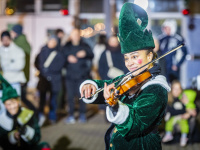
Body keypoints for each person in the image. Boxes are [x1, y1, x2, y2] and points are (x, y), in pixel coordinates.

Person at [80, 3, 171, 150]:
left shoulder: (156, 89)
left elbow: (137, 123)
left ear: (149, 56)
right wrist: (91, 86)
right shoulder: (128, 79)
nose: (130, 63)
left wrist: (115, 106)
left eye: (135, 57)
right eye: (127, 58)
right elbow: (107, 85)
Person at [0, 74, 50, 150]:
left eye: (14, 103)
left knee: (45, 147)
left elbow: (37, 138)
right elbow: (4, 145)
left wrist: (26, 132)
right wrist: (13, 137)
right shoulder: (2, 120)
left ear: (18, 102)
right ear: (4, 105)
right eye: (8, 104)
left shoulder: (28, 114)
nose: (12, 107)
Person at [62, 28, 94, 124]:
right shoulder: (66, 47)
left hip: (82, 76)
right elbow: (61, 57)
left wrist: (85, 53)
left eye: (77, 34)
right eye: (73, 34)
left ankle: (82, 115)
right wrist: (67, 58)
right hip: (70, 76)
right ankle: (71, 115)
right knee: (70, 97)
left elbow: (92, 54)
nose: (75, 36)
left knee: (82, 96)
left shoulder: (84, 46)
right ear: (71, 36)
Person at [36, 36, 65, 125]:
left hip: (54, 80)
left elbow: (59, 66)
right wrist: (43, 71)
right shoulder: (42, 51)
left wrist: (47, 71)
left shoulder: (60, 53)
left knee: (53, 101)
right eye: (50, 41)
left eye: (54, 41)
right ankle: (40, 116)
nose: (52, 43)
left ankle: (52, 117)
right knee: (42, 100)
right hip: (44, 79)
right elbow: (38, 63)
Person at [162, 80, 197, 147]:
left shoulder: (184, 97)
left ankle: (185, 137)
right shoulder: (168, 99)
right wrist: (185, 112)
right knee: (170, 122)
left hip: (184, 121)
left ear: (181, 90)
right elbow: (171, 111)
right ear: (171, 89)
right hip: (173, 123)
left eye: (179, 88)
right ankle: (170, 135)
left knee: (191, 120)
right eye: (175, 88)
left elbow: (194, 108)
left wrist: (187, 108)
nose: (177, 91)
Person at [10, 24, 33, 110]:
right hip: (23, 76)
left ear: (16, 32)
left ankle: (34, 115)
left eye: (12, 31)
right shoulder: (23, 42)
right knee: (21, 98)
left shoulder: (18, 43)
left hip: (19, 76)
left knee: (20, 98)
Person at [0, 31, 26, 95]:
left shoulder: (18, 51)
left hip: (15, 81)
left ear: (10, 39)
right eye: (3, 40)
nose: (5, 41)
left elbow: (20, 65)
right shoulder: (1, 50)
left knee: (15, 100)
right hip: (3, 81)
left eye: (7, 39)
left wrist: (5, 66)